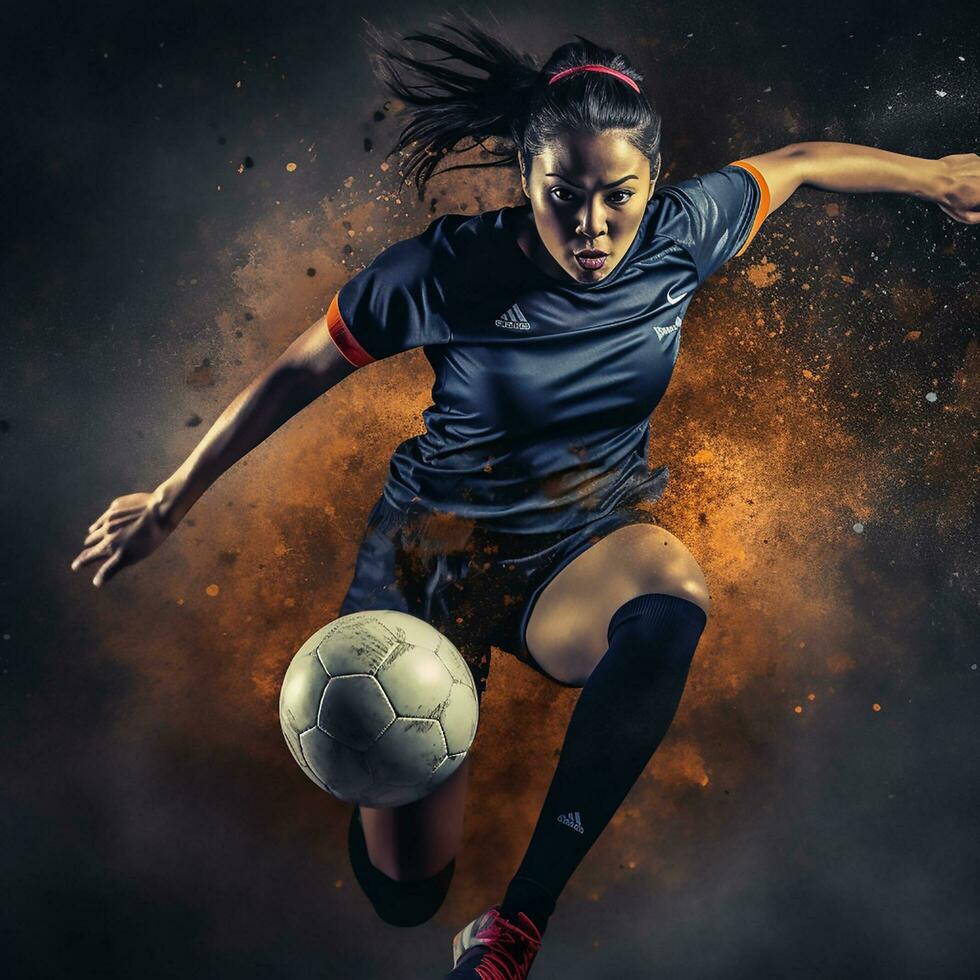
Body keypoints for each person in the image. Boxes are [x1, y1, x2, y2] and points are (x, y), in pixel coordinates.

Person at [71, 13, 978, 980]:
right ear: (528, 180)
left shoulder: (688, 231)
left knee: (671, 597)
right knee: (406, 887)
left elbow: (795, 163)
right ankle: (406, 838)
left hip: (576, 547)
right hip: (435, 554)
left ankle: (515, 929)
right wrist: (171, 498)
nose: (592, 227)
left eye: (618, 197)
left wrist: (934, 178)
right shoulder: (449, 269)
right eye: (564, 198)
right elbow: (296, 372)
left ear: (654, 185)